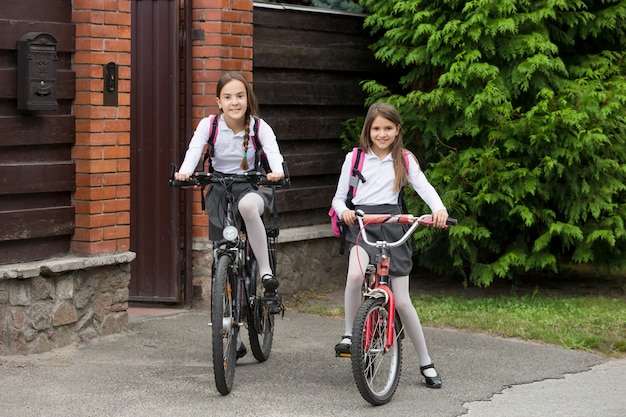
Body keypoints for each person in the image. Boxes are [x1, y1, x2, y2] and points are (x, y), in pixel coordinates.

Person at [331, 102, 449, 389]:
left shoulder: (405, 159)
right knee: (356, 275)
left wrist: (439, 210)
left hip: (395, 223)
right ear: (368, 131)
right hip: (362, 225)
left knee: (404, 301)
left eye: (387, 128)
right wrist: (344, 210)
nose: (381, 134)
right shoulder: (355, 158)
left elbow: (424, 187)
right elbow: (338, 197)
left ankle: (426, 362)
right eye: (376, 128)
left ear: (397, 130)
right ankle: (349, 334)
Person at [174, 72, 285, 359]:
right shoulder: (209, 125)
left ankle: (265, 271)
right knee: (222, 253)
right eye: (227, 97)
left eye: (239, 96)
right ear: (218, 102)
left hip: (253, 187)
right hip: (220, 190)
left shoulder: (259, 127)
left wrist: (276, 170)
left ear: (248, 99)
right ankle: (230, 329)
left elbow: (273, 152)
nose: (234, 102)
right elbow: (194, 150)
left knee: (248, 209)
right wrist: (187, 171)